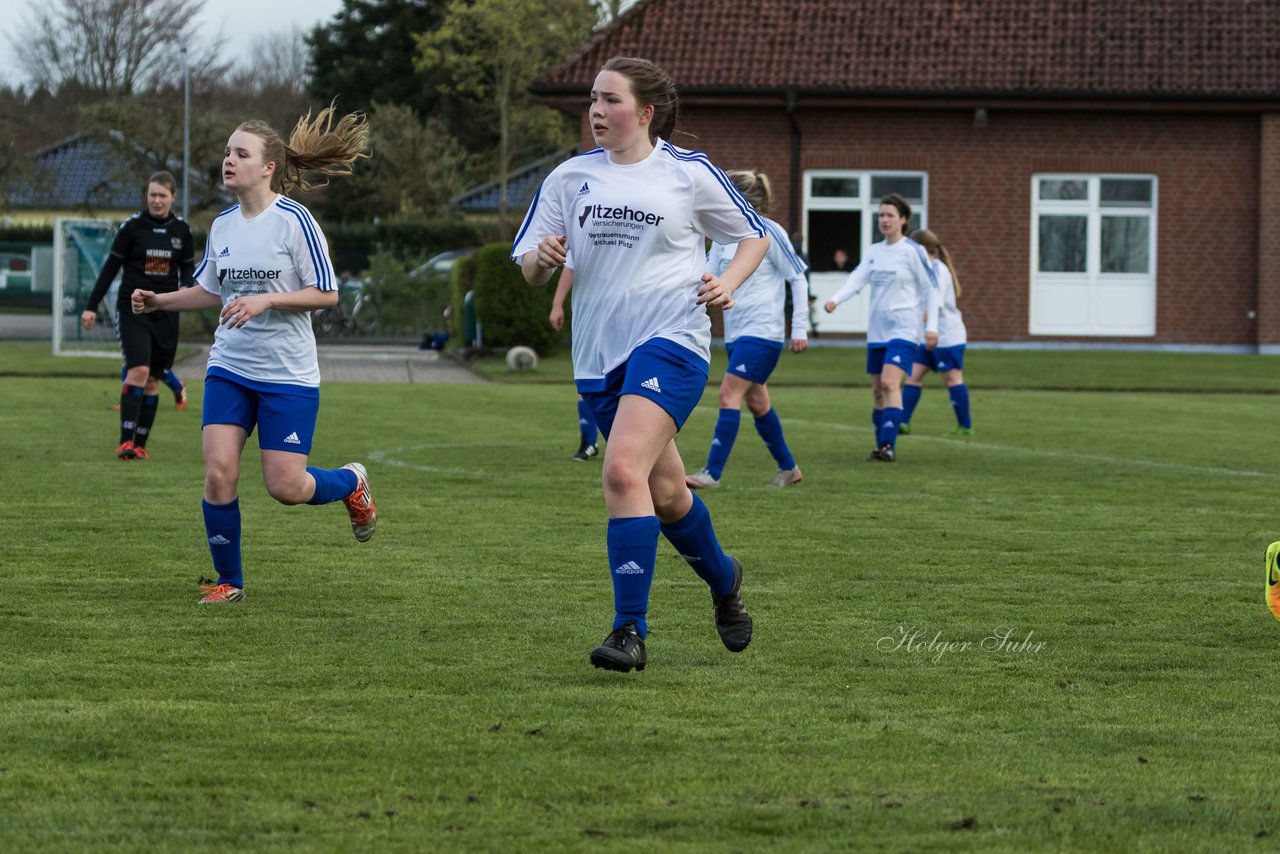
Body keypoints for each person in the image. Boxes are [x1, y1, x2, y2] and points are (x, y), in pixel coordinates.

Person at [512, 55, 769, 673]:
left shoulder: (688, 173)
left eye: (611, 100)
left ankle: (629, 630)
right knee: (667, 493)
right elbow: (527, 261)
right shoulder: (571, 178)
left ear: (646, 112)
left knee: (623, 471)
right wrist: (542, 257)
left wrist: (728, 282)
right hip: (598, 355)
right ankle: (724, 577)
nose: (597, 111)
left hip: (671, 342)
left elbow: (753, 234)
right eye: (593, 100)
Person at [131, 107, 378, 605]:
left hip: (288, 376)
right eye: (227, 152)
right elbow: (207, 290)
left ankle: (351, 482)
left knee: (286, 486)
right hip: (230, 368)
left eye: (241, 153)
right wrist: (160, 301)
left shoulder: (294, 221)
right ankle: (230, 582)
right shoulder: (222, 225)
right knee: (218, 471)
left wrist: (267, 299)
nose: (229, 160)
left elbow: (326, 294)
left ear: (268, 167)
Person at [686, 170, 809, 489]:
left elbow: (797, 277)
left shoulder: (770, 231)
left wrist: (799, 328)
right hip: (737, 335)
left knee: (728, 394)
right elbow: (705, 278)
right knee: (757, 403)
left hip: (763, 333)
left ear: (739, 197)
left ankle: (712, 474)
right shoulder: (726, 237)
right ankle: (788, 468)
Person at [81, 170, 195, 460]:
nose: (156, 200)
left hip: (166, 309)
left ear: (173, 197)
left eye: (162, 195)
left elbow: (187, 270)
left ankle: (140, 444)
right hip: (134, 309)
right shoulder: (132, 228)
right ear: (147, 196)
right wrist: (91, 306)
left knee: (154, 379)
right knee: (139, 370)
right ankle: (124, 442)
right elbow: (110, 268)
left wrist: (185, 290)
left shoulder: (182, 231)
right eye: (152, 194)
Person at [823, 193, 939, 462]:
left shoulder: (913, 251)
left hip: (905, 329)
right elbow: (857, 279)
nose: (884, 220)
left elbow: (930, 288)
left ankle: (888, 446)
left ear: (903, 220)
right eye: (881, 215)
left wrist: (931, 327)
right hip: (877, 331)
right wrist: (836, 299)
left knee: (890, 383)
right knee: (878, 390)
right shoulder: (875, 252)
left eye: (890, 215)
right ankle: (881, 447)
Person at [898, 228, 973, 437]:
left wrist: (908, 323)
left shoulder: (938, 271)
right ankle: (903, 422)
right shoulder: (924, 268)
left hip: (947, 336)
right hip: (927, 336)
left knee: (953, 380)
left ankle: (965, 426)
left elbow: (933, 306)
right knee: (912, 377)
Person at [548, 263, 600, 461]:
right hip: (591, 319)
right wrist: (557, 304)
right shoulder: (586, 232)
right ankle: (589, 441)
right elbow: (572, 265)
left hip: (630, 319)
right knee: (587, 380)